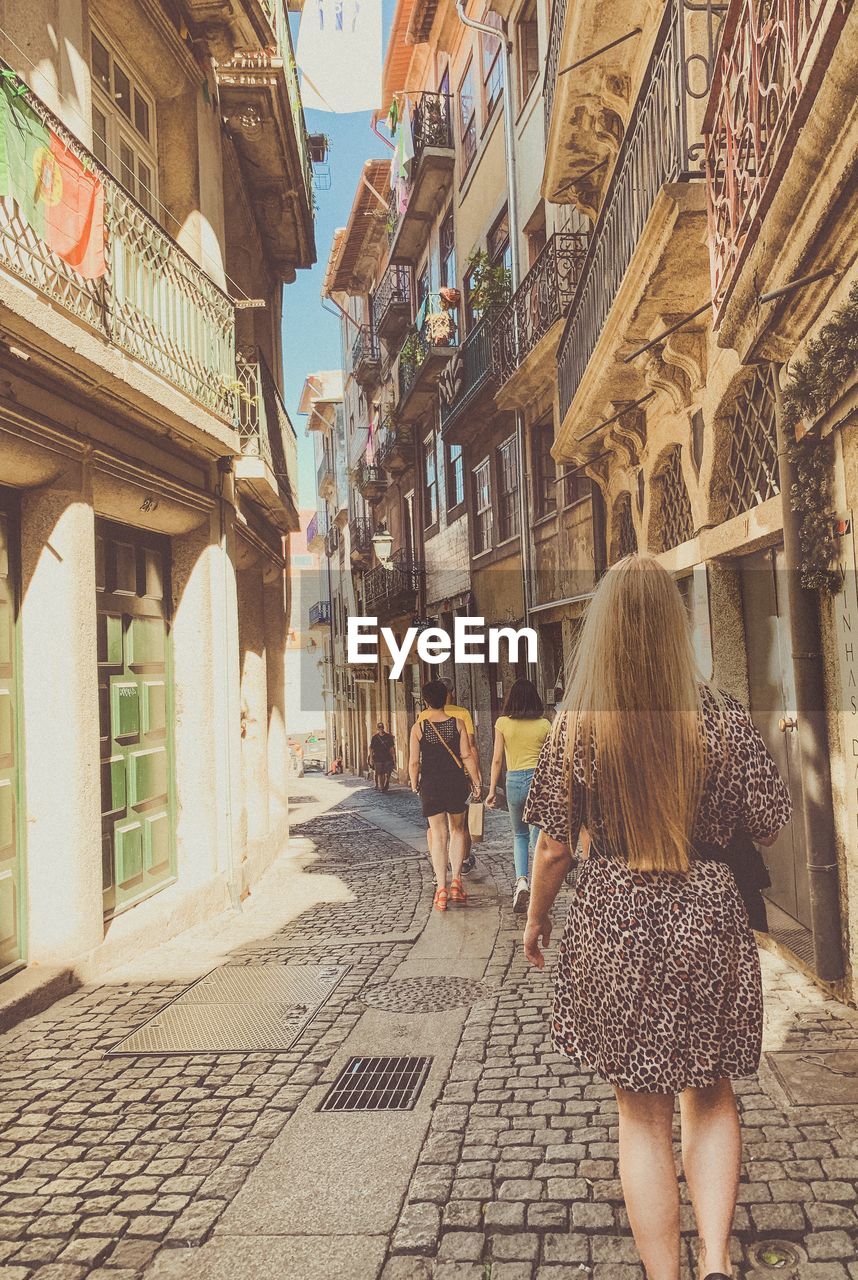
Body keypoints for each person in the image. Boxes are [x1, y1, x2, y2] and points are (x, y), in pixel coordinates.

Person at [522, 555, 791, 1280]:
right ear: (676, 627)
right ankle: (714, 1264)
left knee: (640, 1117)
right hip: (706, 914)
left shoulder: (577, 727)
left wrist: (537, 919)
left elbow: (550, 846)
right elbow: (766, 822)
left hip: (613, 914)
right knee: (712, 1095)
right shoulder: (724, 719)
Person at [409, 679, 481, 912]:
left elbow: (413, 762)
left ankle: (441, 888)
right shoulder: (458, 723)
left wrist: (413, 783)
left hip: (430, 784)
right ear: (446, 698)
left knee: (438, 836)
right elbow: (467, 755)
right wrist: (477, 781)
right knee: (458, 830)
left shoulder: (419, 727)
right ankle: (457, 882)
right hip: (454, 783)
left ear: (426, 701)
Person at [485, 678, 552, 914]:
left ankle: (521, 881)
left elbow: (496, 760)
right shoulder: (544, 725)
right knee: (537, 835)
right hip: (539, 781)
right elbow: (551, 759)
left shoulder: (503, 723)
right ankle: (540, 887)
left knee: (519, 835)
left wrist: (492, 791)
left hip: (513, 781)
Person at [368, 722, 396, 791]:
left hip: (387, 757)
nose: (381, 729)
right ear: (377, 729)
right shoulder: (374, 738)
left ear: (383, 728)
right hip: (378, 758)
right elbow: (371, 749)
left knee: (388, 772)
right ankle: (382, 787)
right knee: (380, 773)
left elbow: (391, 748)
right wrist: (371, 758)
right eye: (379, 728)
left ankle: (387, 782)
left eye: (382, 727)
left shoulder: (388, 737)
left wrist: (394, 757)